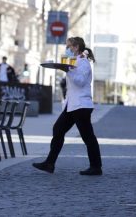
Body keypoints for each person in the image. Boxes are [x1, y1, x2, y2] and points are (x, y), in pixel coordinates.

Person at [32, 37, 103, 176]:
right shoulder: (75, 61)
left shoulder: (83, 63)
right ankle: (49, 163)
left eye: (69, 46)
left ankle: (96, 167)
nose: (67, 49)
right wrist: (67, 69)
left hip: (81, 106)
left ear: (76, 47)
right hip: (72, 105)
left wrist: (68, 70)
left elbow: (81, 82)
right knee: (58, 129)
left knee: (88, 137)